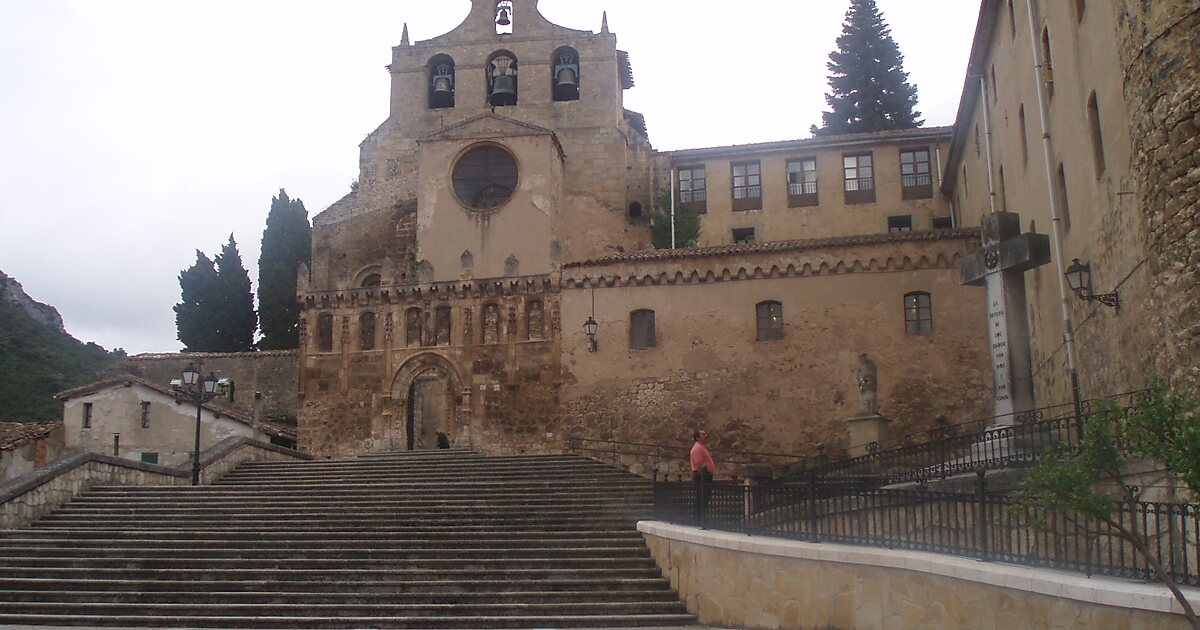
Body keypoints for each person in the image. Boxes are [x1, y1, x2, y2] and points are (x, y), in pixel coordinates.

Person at [690, 429, 716, 525]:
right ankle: (699, 521)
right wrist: (704, 474)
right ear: (697, 438)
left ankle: (701, 519)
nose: (706, 435)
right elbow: (699, 463)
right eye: (703, 434)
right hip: (702, 476)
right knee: (701, 498)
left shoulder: (701, 447)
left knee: (703, 498)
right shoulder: (698, 448)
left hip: (704, 476)